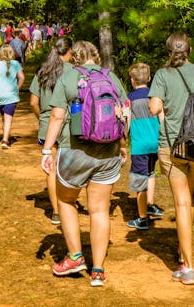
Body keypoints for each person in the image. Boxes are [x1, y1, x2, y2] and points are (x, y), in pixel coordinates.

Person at [41, 41, 128, 288]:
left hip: (75, 150)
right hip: (108, 150)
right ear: (96, 57)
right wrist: (122, 145)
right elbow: (124, 112)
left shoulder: (69, 78)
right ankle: (98, 271)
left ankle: (75, 256)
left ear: (75, 58)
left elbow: (57, 116)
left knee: (66, 199)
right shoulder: (112, 77)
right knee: (100, 209)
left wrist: (47, 150)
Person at [149, 32, 194, 286]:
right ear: (189, 49)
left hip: (173, 145)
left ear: (169, 50)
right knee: (190, 196)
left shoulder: (162, 74)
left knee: (181, 202)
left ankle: (187, 267)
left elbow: (154, 108)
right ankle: (184, 247)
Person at [29, 36, 73, 225]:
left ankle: (56, 211)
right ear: (69, 51)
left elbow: (33, 102)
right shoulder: (73, 71)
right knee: (69, 166)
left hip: (48, 122)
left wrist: (43, 119)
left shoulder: (42, 72)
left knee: (51, 168)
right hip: (70, 122)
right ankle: (68, 203)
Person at [125, 62, 164, 230]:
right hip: (156, 143)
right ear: (149, 78)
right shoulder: (156, 96)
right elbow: (162, 118)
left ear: (132, 80)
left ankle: (142, 218)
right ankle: (150, 204)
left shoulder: (129, 99)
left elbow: (126, 122)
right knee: (150, 172)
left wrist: (121, 140)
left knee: (139, 179)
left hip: (139, 145)